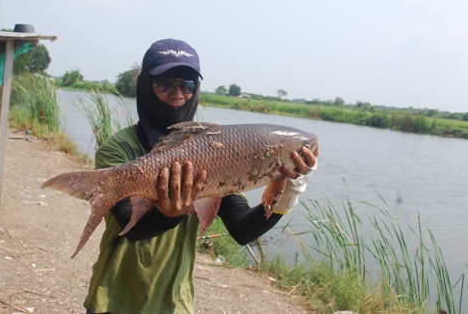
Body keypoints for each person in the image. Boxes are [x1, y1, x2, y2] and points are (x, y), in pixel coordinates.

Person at [84, 39, 319, 314]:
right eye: (164, 83)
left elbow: (243, 229)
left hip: (176, 304)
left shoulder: (216, 148)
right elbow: (131, 227)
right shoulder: (119, 149)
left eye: (188, 84)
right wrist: (167, 213)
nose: (177, 94)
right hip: (114, 300)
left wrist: (287, 193)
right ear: (146, 85)